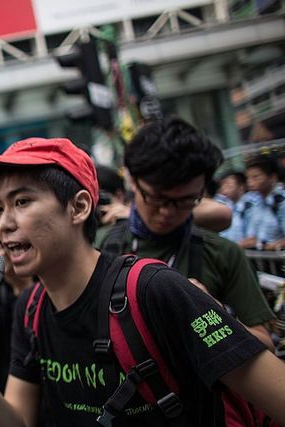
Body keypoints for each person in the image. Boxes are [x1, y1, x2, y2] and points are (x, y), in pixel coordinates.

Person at [0, 136, 285, 427]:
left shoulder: (153, 289)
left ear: (78, 207)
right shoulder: (30, 308)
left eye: (22, 201)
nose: (4, 223)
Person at [97, 117, 274, 349]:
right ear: (132, 181)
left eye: (186, 200)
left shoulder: (222, 253)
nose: (167, 212)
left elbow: (266, 345)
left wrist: (215, 313)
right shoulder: (99, 248)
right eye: (157, 197)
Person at [240, 155, 285, 250]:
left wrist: (271, 246)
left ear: (272, 177)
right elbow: (252, 236)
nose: (250, 182)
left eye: (256, 177)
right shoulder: (254, 204)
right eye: (248, 178)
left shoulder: (281, 202)